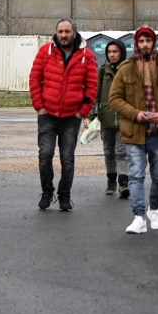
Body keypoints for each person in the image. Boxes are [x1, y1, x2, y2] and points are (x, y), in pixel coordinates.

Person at [108, 26, 158, 234]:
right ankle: (138, 217)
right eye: (141, 41)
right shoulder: (125, 69)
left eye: (148, 41)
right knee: (136, 175)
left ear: (153, 43)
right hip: (134, 132)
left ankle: (155, 210)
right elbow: (114, 98)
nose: (144, 45)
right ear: (136, 44)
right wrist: (135, 114)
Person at [28, 18, 98, 211]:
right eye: (60, 31)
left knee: (67, 158)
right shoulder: (45, 52)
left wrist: (82, 112)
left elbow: (92, 87)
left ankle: (65, 195)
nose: (64, 35)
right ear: (56, 33)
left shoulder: (87, 56)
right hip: (47, 114)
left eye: (67, 31)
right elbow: (35, 78)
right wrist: (39, 106)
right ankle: (47, 192)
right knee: (45, 154)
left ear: (74, 33)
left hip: (71, 117)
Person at [91, 39, 129, 198]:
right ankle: (111, 182)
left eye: (115, 52)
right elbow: (95, 95)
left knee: (122, 152)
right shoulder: (101, 72)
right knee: (108, 152)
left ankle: (123, 184)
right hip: (105, 119)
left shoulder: (129, 71)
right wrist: (90, 116)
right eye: (109, 52)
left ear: (122, 53)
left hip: (124, 119)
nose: (112, 55)